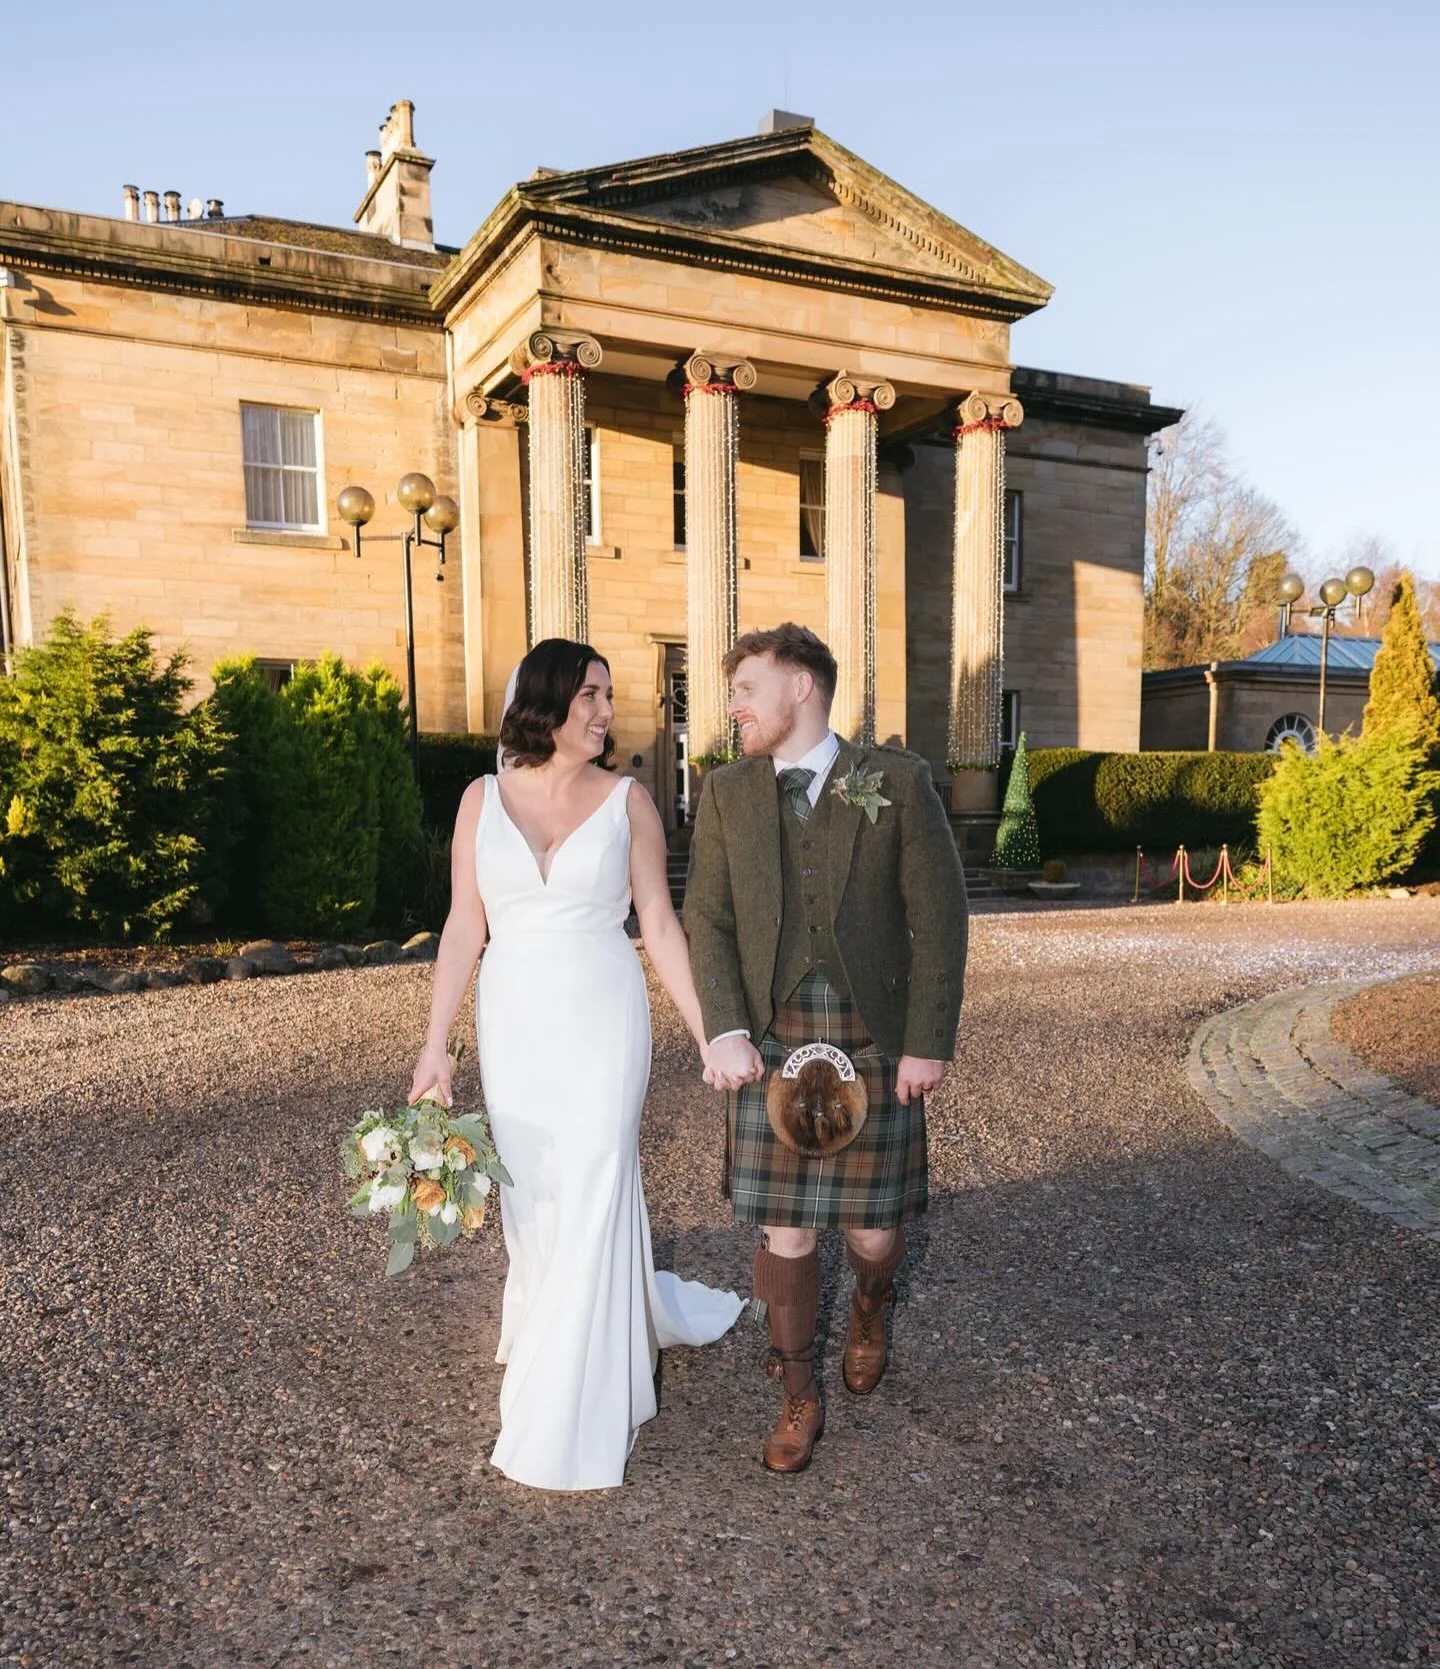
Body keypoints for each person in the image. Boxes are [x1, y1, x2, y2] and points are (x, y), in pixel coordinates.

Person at [409, 638, 744, 1491]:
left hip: (603, 1013)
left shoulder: (631, 801)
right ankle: (580, 1321)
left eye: (608, 695)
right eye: (591, 694)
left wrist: (711, 1032)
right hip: (514, 1017)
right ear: (549, 702)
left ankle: (568, 1401)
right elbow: (462, 928)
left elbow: (660, 928)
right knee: (534, 1194)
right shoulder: (479, 799)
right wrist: (434, 1045)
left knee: (597, 1174)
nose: (605, 711)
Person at [685, 623, 969, 1474]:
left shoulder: (897, 781)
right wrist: (725, 1024)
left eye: (746, 688)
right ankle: (797, 1388)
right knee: (787, 1228)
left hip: (871, 1033)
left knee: (874, 1230)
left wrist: (927, 1039)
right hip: (772, 1032)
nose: (733, 705)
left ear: (800, 686)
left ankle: (874, 1300)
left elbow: (939, 916)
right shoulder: (727, 792)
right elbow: (708, 917)